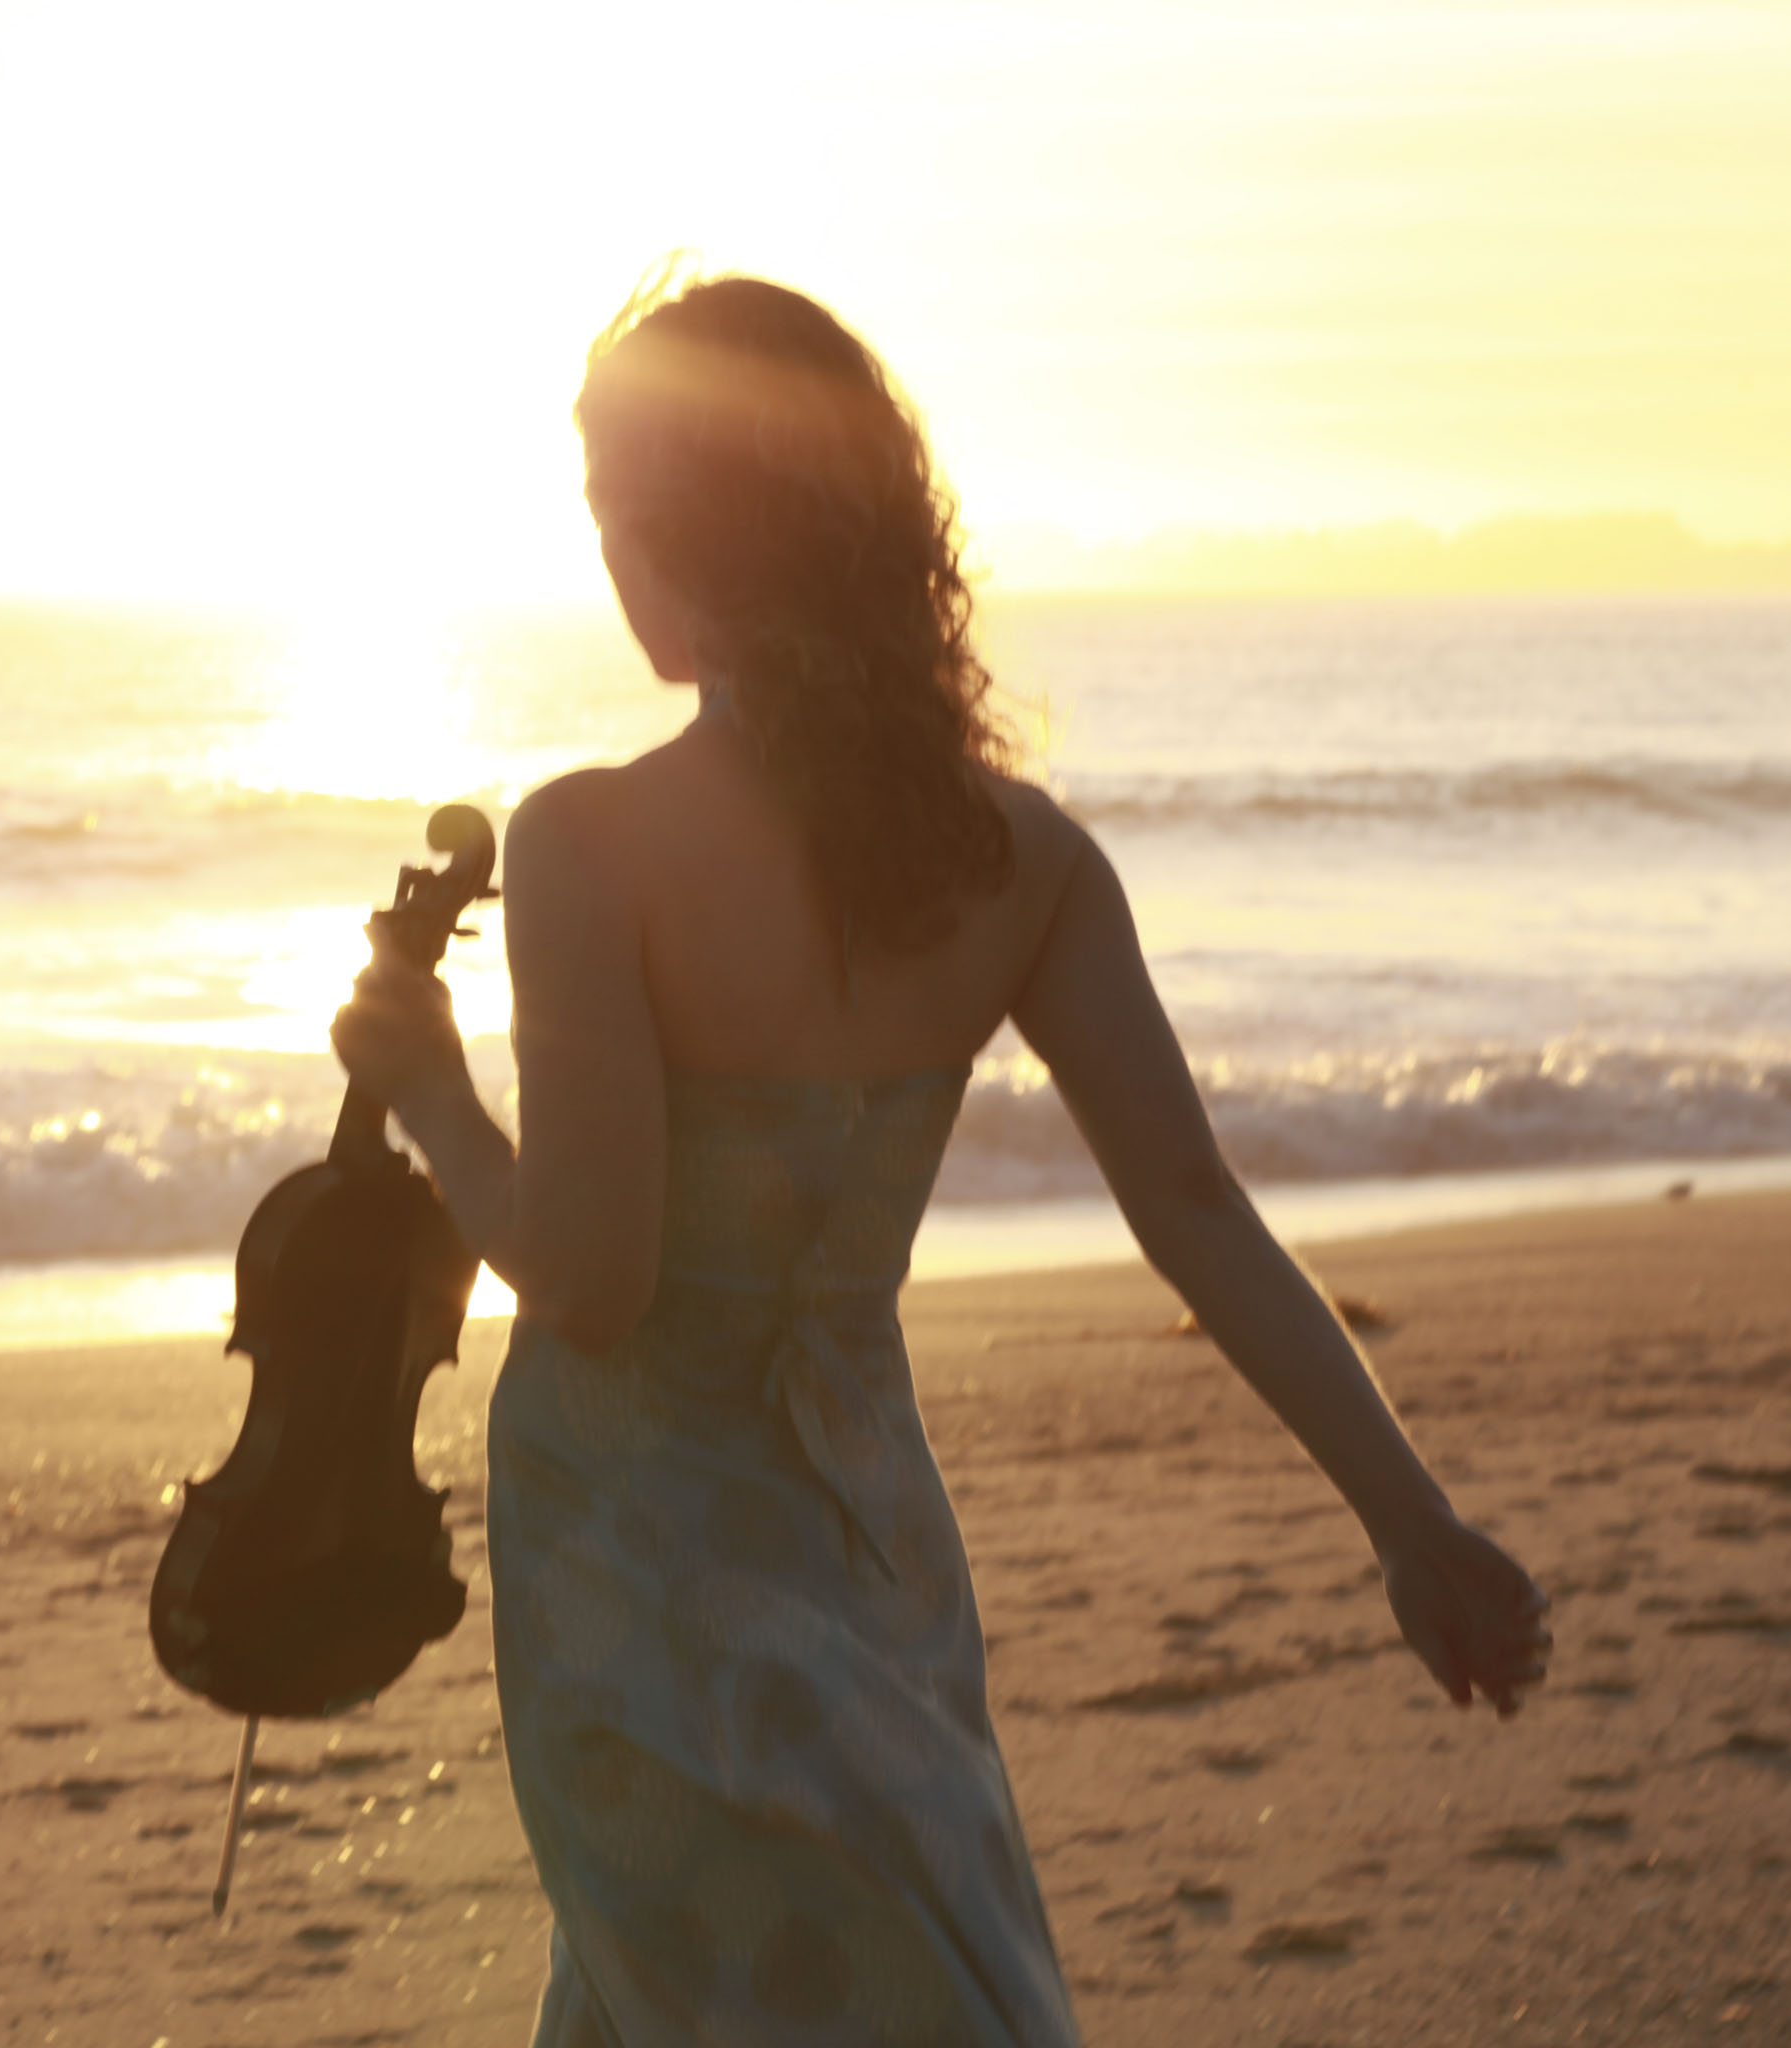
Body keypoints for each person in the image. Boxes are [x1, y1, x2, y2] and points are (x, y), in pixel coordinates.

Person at [329, 276, 1552, 2047]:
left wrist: (436, 1099)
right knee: (895, 1967)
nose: (603, 561)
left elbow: (593, 1284)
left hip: (639, 1540)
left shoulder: (593, 842)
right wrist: (1409, 1523)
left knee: (684, 1988)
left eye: (608, 512)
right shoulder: (1028, 862)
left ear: (692, 535)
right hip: (866, 1533)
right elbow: (1199, 1217)